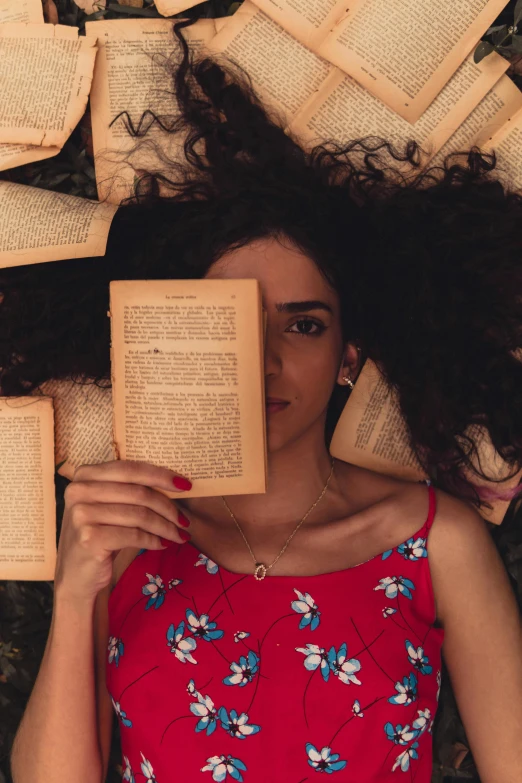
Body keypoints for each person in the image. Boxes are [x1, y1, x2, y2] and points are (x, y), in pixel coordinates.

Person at [6, 18, 522, 783]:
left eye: (303, 324)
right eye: (234, 322)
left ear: (348, 357)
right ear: (182, 332)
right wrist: (76, 589)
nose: (267, 359)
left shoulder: (434, 539)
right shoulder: (121, 538)